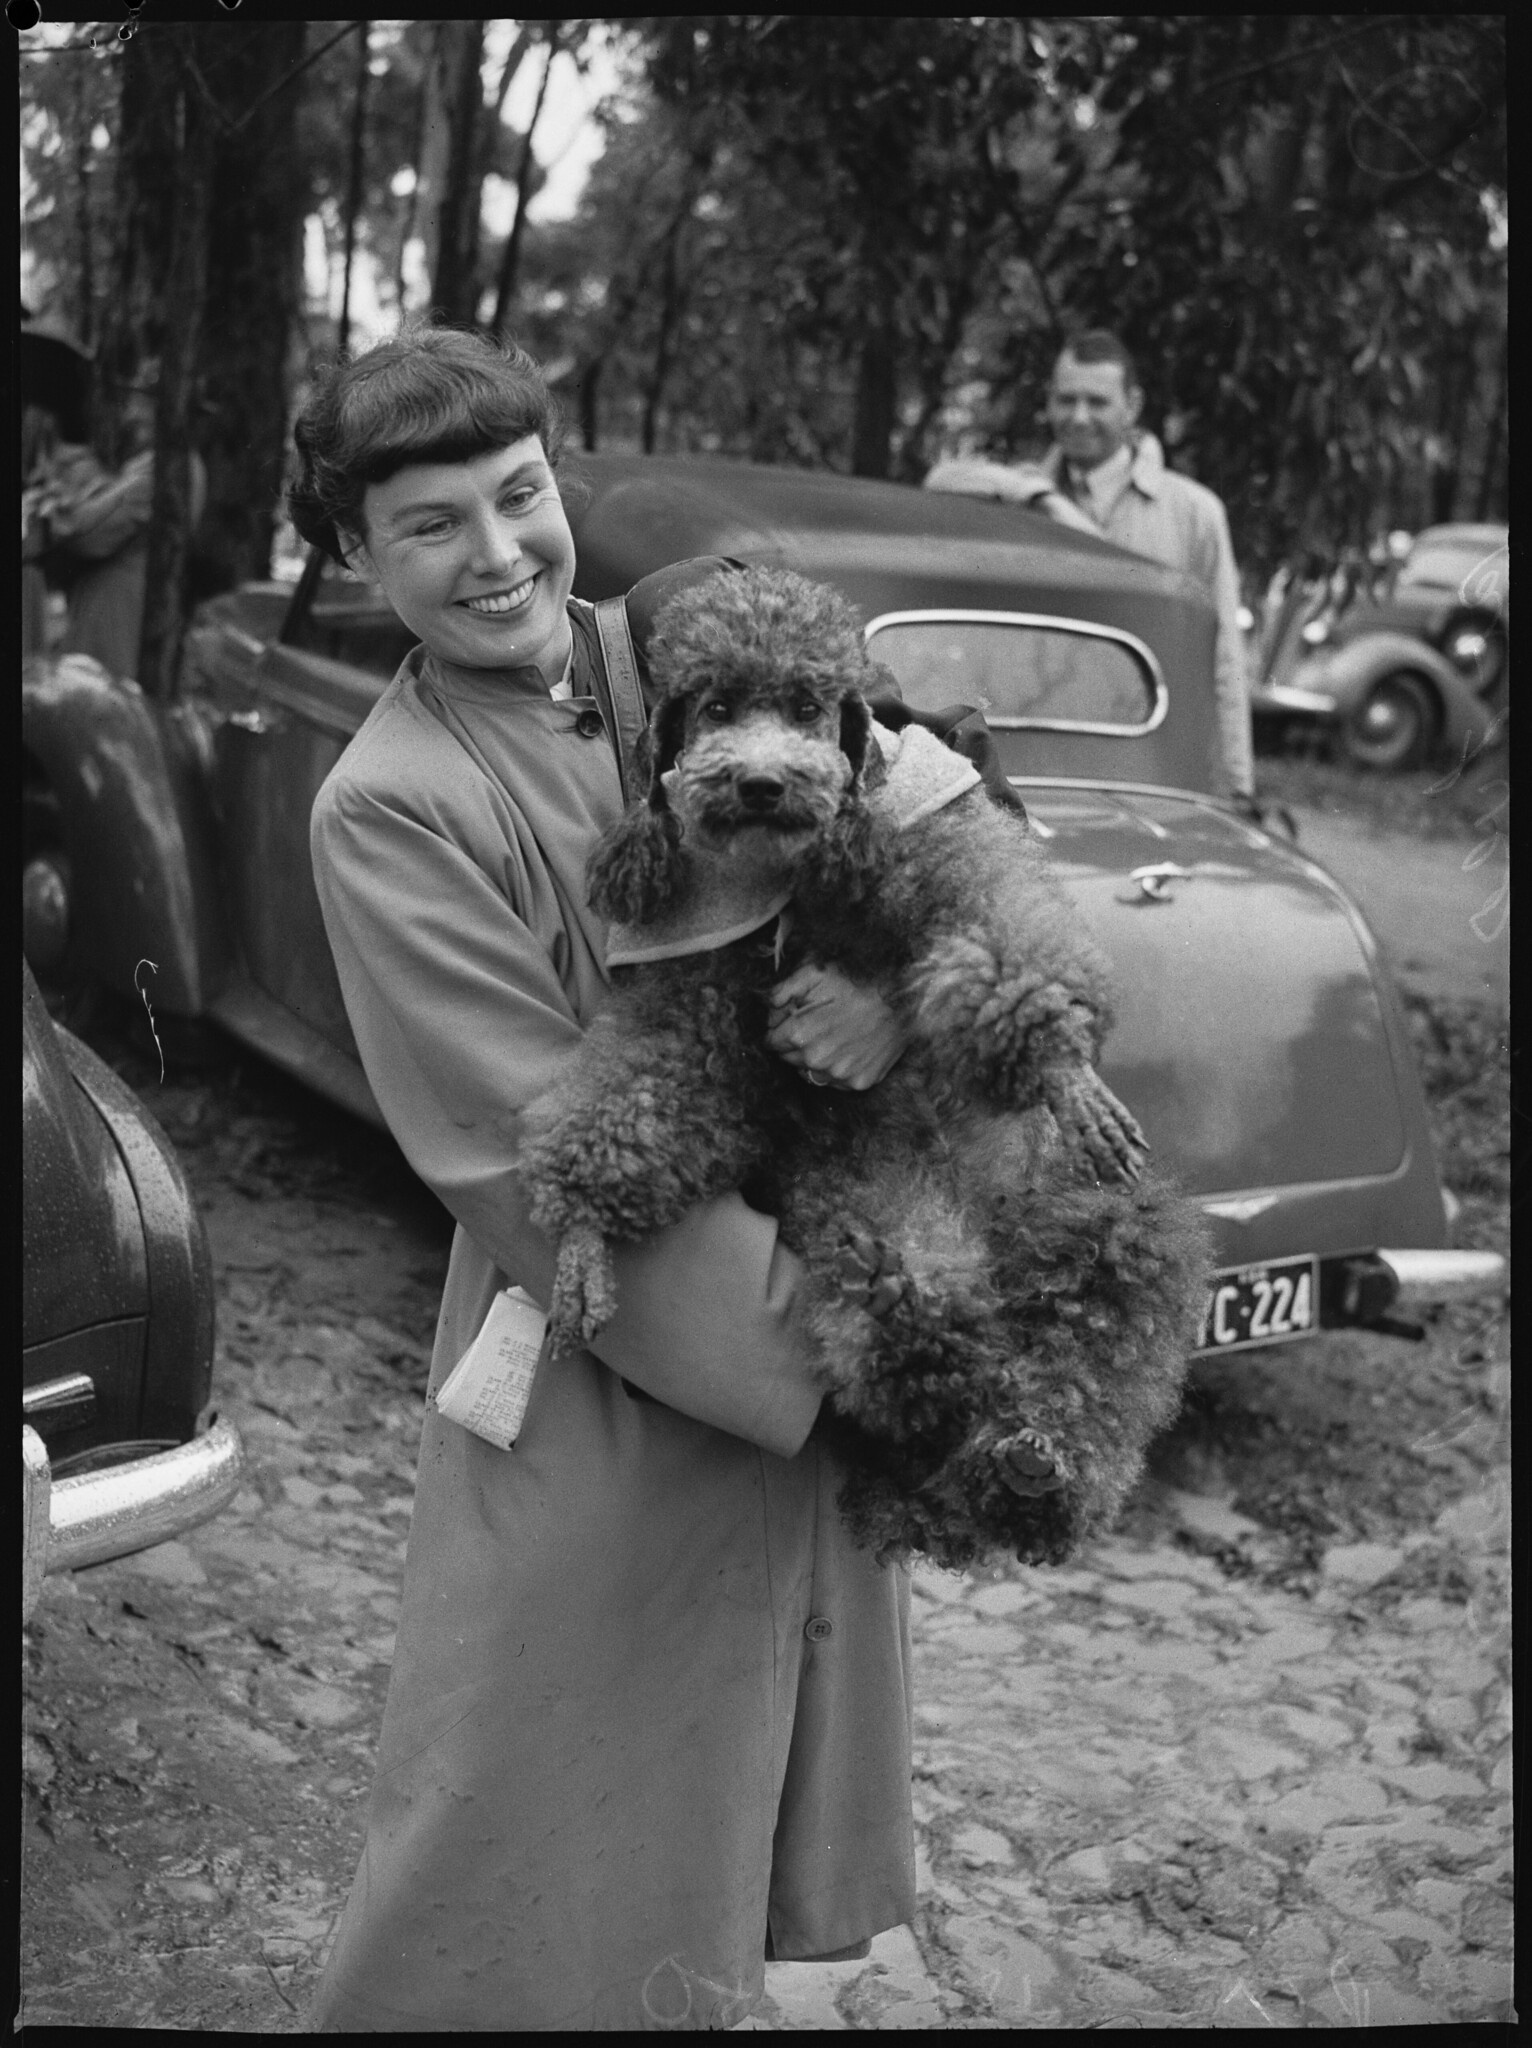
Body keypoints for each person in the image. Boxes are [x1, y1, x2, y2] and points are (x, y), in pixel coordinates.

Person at [293, 327, 924, 2031]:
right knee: (531, 1819)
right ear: (354, 556)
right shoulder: (392, 804)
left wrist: (896, 982)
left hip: (805, 1315)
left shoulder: (673, 645)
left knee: (753, 1837)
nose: (498, 554)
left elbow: (914, 781)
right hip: (625, 1357)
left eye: (520, 496)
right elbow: (515, 1134)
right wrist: (849, 1339)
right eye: (429, 525)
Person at [925, 329, 1255, 799]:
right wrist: (1041, 496)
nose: (1079, 417)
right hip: (1042, 750)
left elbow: (1223, 660)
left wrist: (1238, 787)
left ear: (1132, 406)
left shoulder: (1192, 513)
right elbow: (940, 479)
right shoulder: (1019, 494)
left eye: (1097, 402)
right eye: (1066, 400)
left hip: (1147, 754)